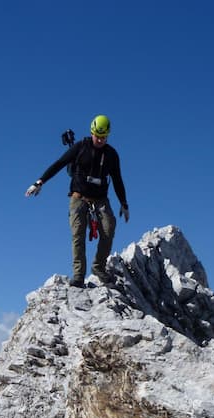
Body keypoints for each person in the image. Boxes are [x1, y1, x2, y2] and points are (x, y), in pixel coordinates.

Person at [25, 114, 129, 288]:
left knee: (109, 228)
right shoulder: (81, 147)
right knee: (78, 235)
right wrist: (40, 182)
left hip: (101, 199)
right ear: (92, 132)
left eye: (104, 137)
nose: (100, 140)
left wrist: (124, 203)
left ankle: (99, 267)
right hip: (78, 197)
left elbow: (117, 179)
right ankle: (79, 276)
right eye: (97, 136)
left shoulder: (111, 155)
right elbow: (59, 164)